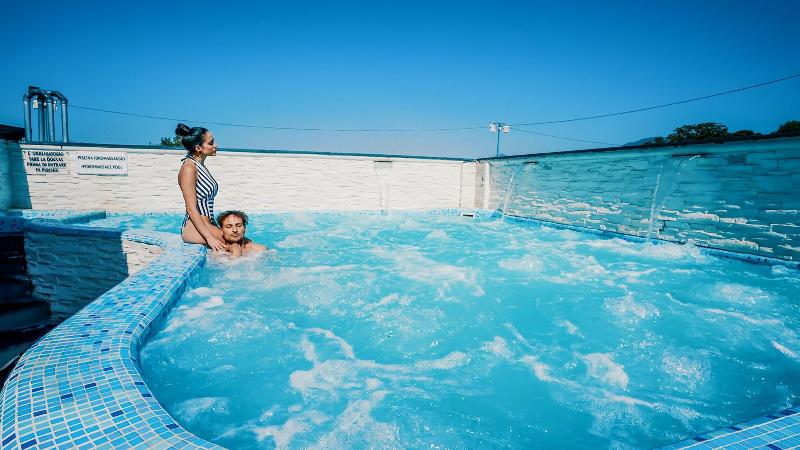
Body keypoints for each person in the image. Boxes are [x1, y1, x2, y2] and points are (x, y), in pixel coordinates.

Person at [176, 123, 228, 252]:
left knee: (245, 246)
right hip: (194, 226)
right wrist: (210, 238)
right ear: (198, 147)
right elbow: (191, 208)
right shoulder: (189, 167)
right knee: (244, 247)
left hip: (207, 223)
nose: (215, 145)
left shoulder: (200, 166)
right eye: (211, 143)